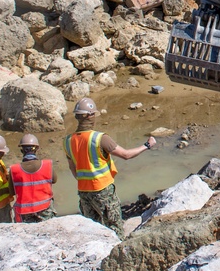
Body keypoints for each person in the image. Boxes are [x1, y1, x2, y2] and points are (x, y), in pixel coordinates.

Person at [63, 97, 155, 236]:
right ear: (90, 116)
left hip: (83, 191)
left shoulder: (67, 141)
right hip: (103, 190)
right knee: (115, 227)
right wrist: (147, 145)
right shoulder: (100, 138)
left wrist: (85, 181)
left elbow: (72, 168)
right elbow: (126, 155)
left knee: (93, 230)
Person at [9, 134, 57, 223]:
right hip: (45, 208)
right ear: (37, 149)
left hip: (24, 211)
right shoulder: (46, 165)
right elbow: (54, 180)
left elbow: (12, 192)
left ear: (21, 150)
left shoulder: (14, 169)